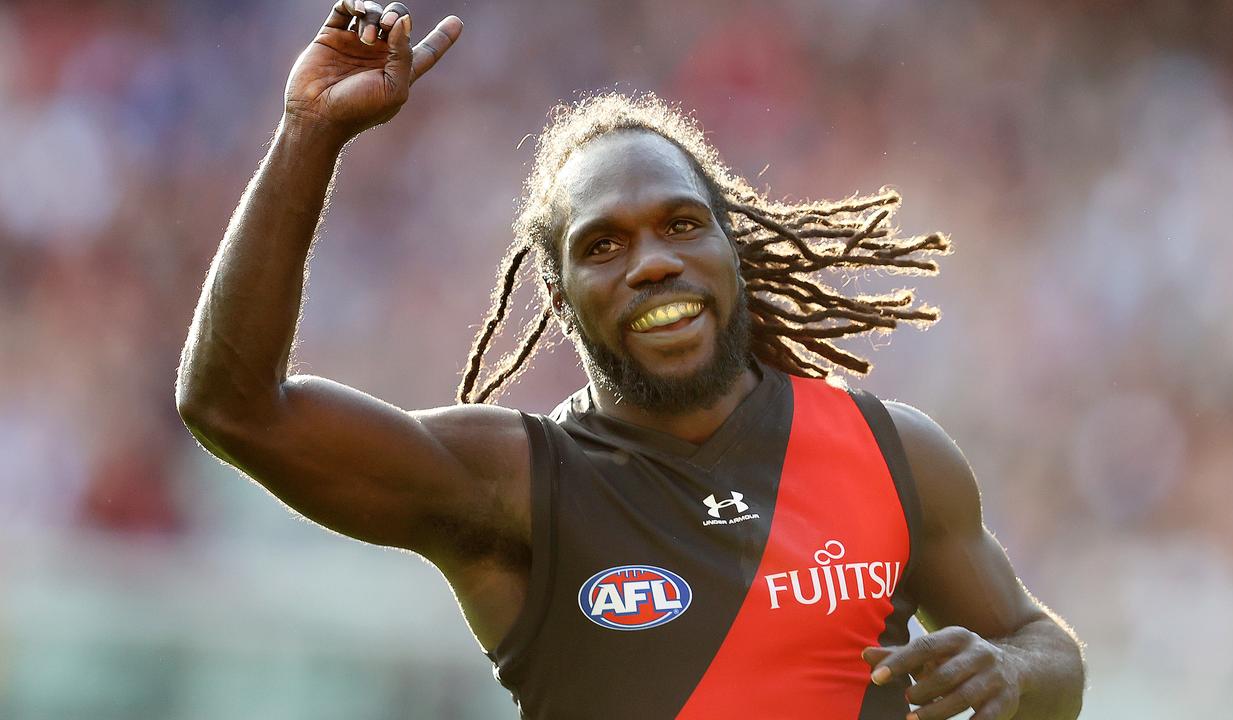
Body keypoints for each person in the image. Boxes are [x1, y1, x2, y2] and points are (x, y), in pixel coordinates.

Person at [176, 2, 1086, 718]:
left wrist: (1007, 673)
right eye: (603, 245)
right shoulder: (515, 483)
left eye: (681, 226)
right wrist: (308, 134)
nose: (652, 260)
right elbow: (235, 410)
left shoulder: (894, 453)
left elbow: (1045, 651)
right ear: (562, 299)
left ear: (735, 250)